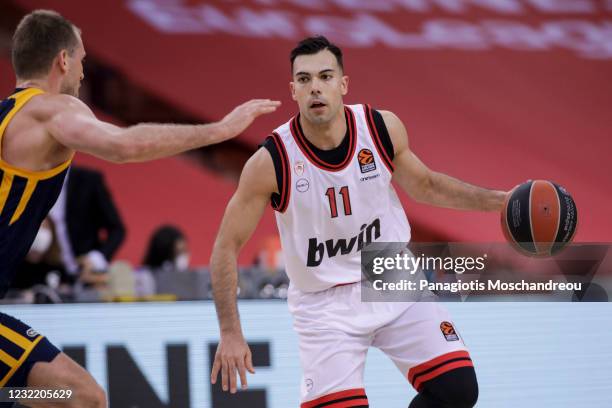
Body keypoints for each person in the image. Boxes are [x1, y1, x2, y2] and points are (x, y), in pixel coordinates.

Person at [0, 9, 279, 407]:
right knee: (83, 397)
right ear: (63, 60)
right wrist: (220, 131)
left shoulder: (6, 116)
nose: (82, 72)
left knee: (60, 395)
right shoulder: (53, 110)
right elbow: (126, 146)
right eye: (81, 60)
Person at [210, 36, 507, 407]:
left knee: (458, 389)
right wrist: (230, 332)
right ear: (293, 91)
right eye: (304, 80)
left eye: (325, 76)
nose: (315, 87)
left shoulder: (380, 128)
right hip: (323, 303)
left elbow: (427, 185)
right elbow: (226, 245)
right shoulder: (271, 161)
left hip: (389, 273)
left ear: (343, 84)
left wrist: (500, 201)